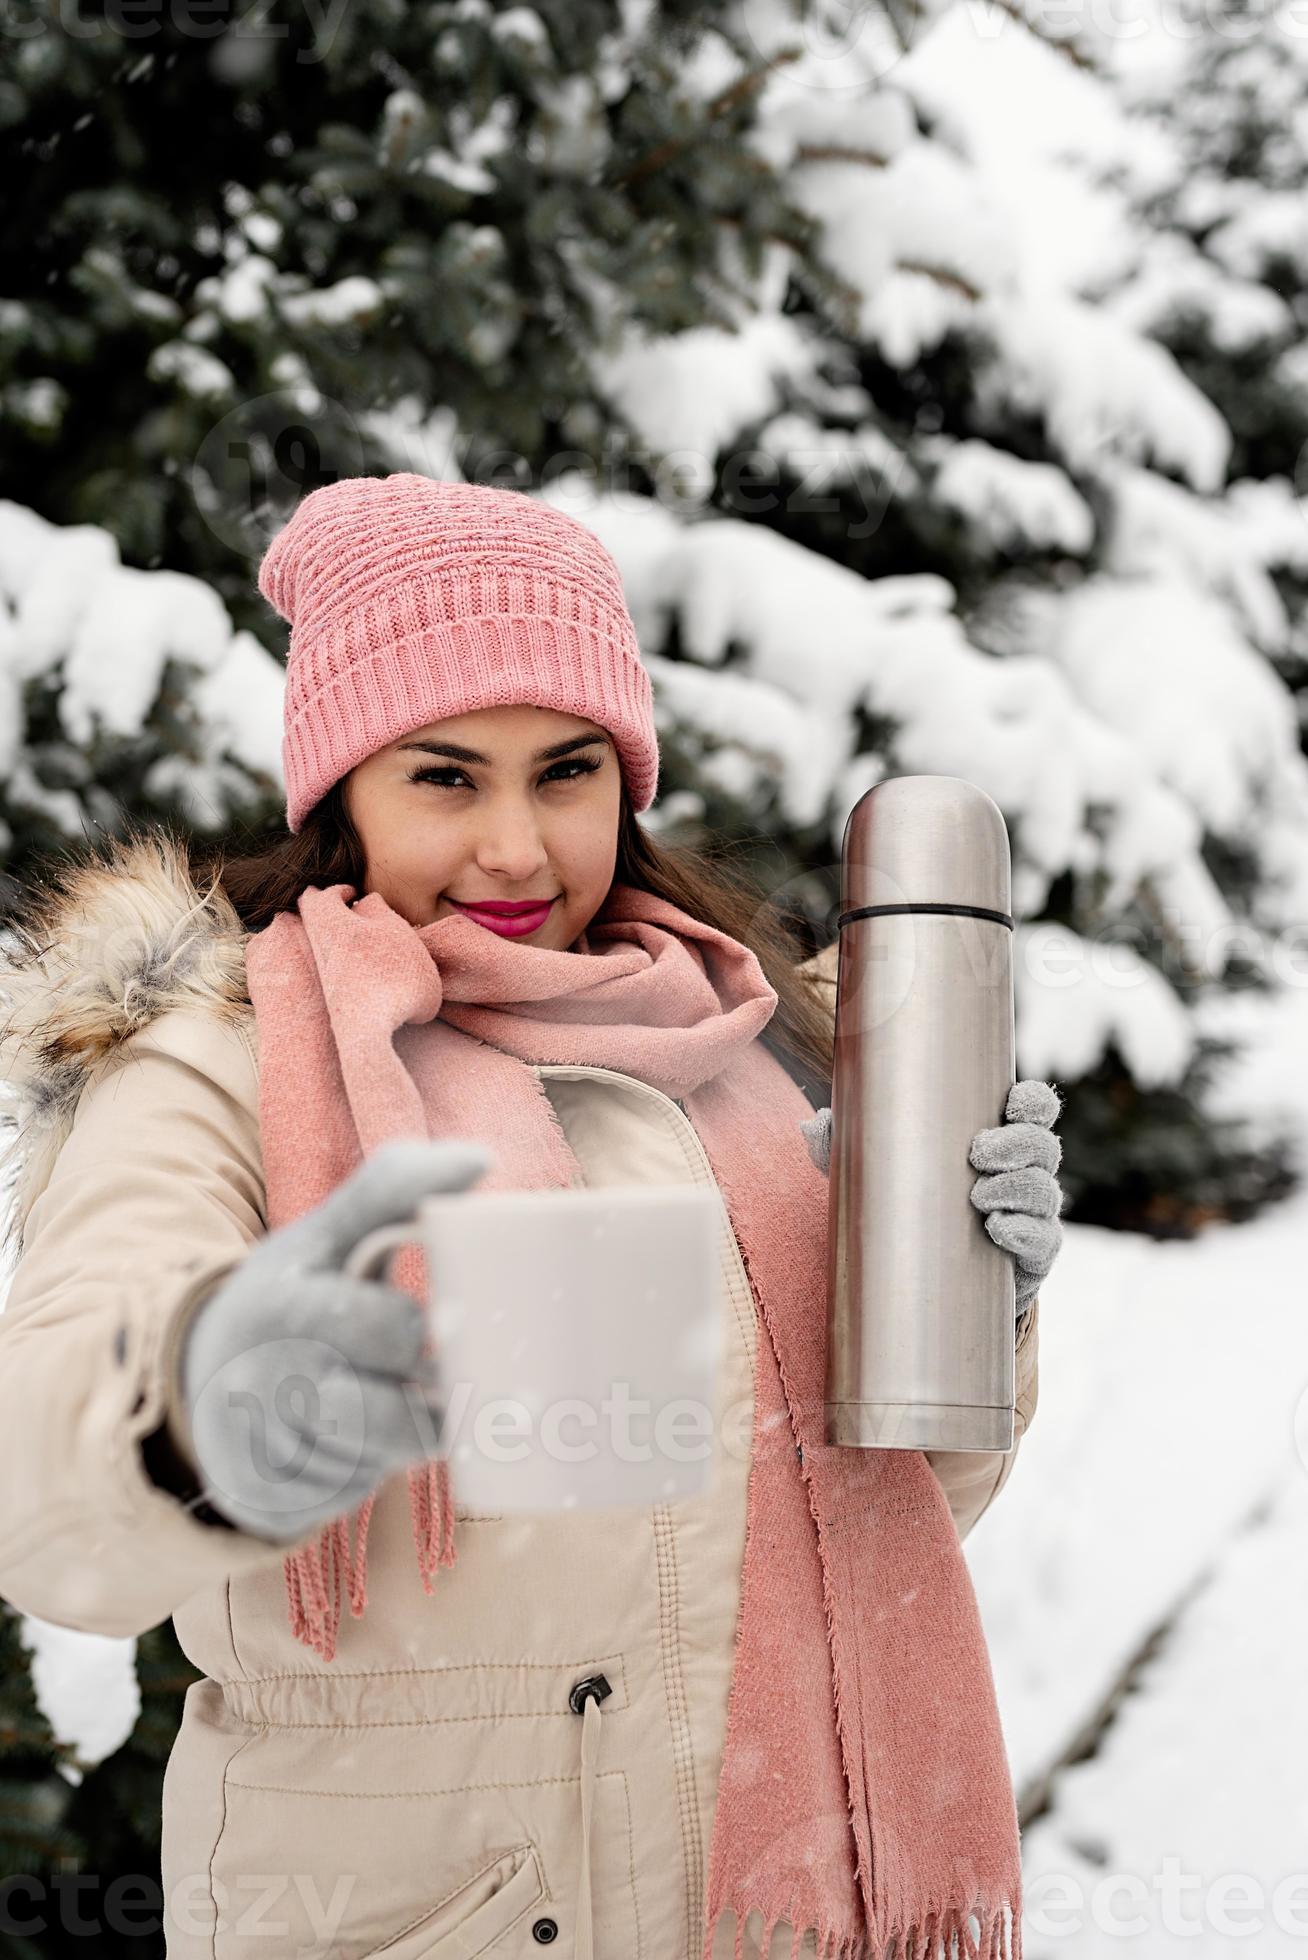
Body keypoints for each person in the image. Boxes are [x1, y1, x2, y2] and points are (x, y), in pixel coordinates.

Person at [0, 476, 1061, 1960]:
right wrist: (212, 1411)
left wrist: (966, 1308)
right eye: (445, 776)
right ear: (341, 790)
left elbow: (881, 1520)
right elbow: (49, 1515)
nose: (515, 848)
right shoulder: (226, 1063)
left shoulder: (750, 1046)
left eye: (565, 772)